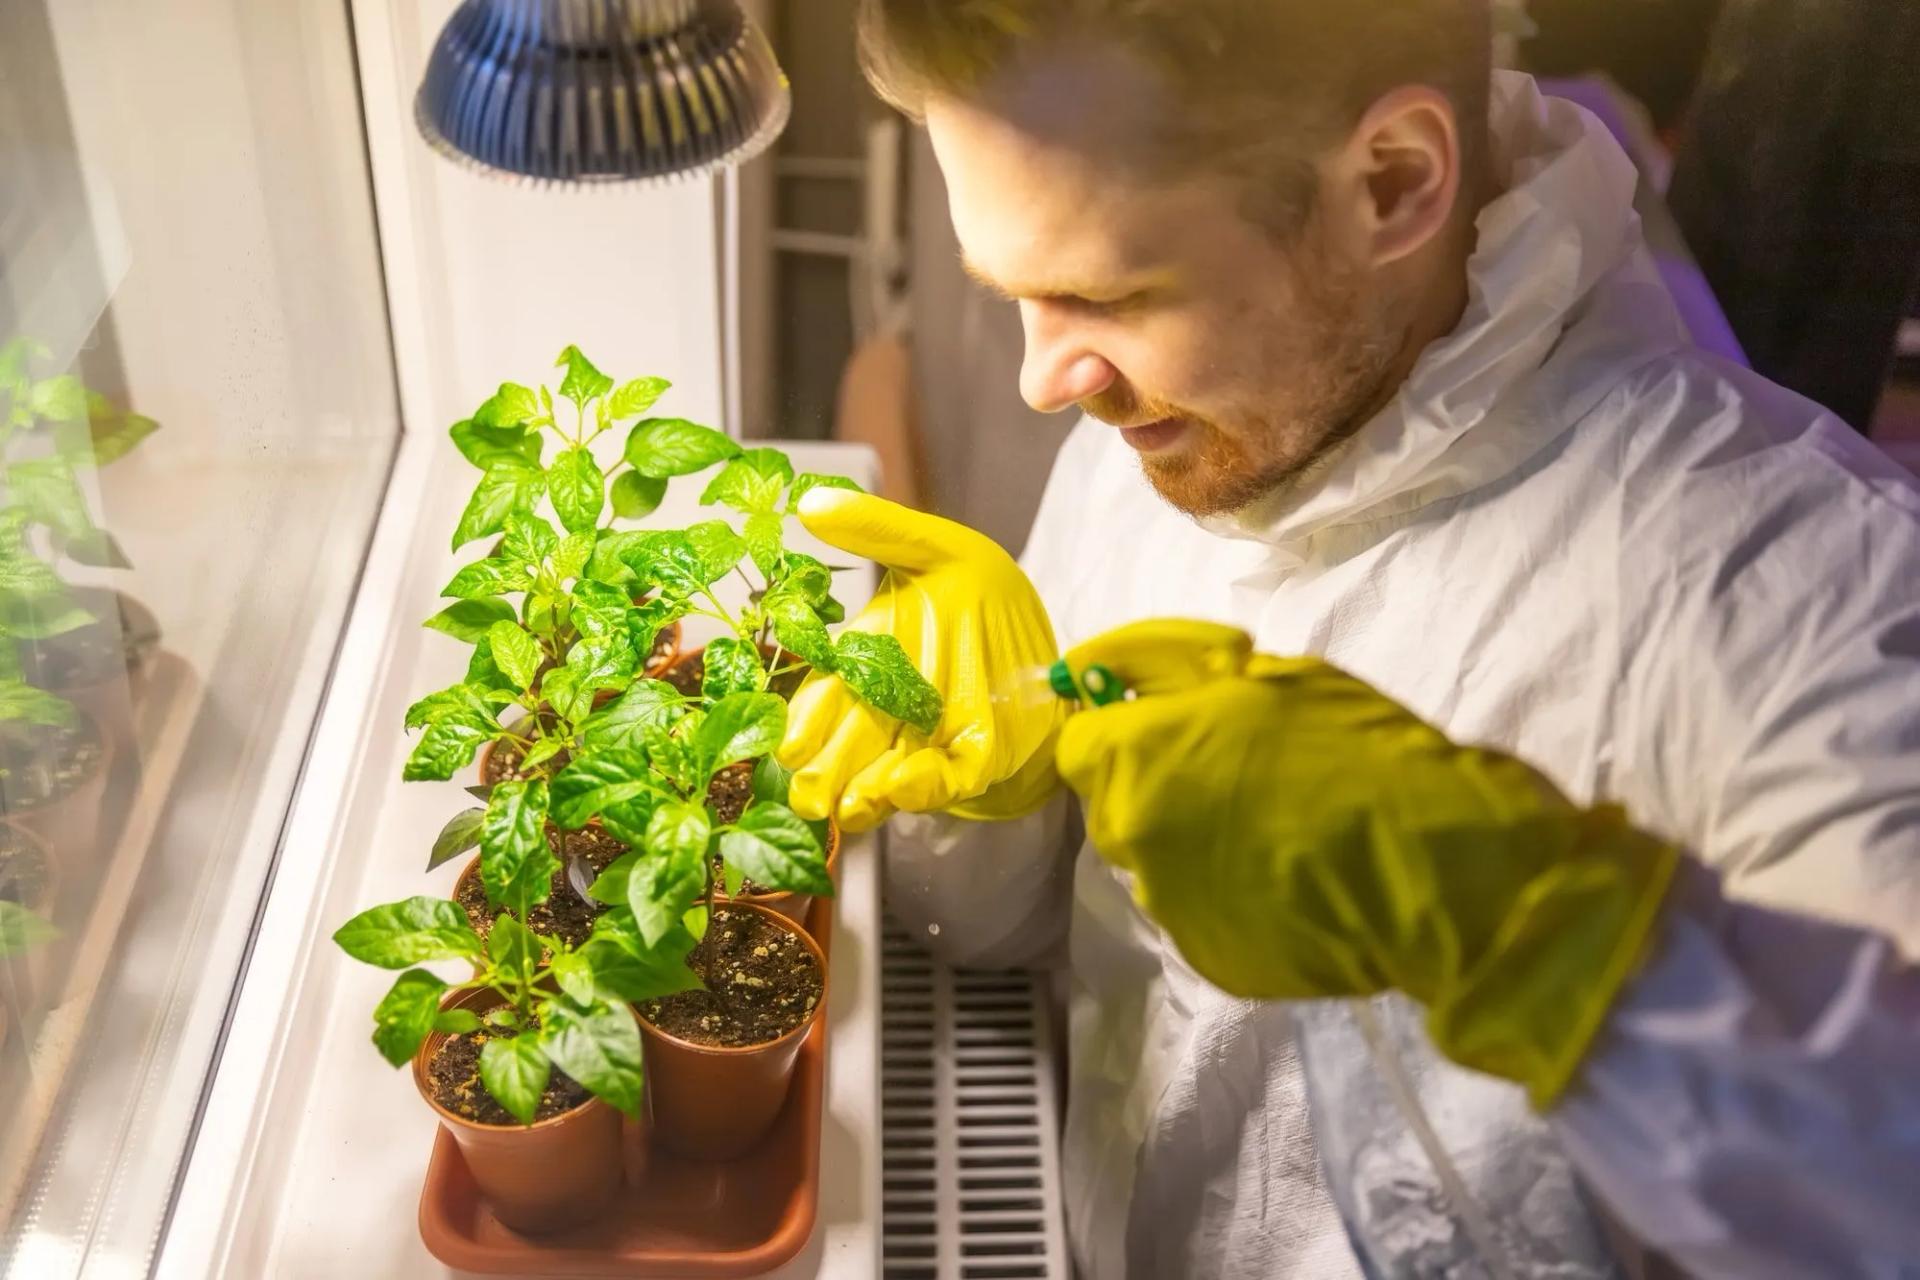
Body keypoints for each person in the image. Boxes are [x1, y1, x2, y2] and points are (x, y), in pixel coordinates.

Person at [775, 2, 1920, 1276]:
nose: (1047, 379)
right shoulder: (1185, 425)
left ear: (1393, 182)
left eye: (1100, 290)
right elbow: (1041, 949)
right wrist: (987, 779)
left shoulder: (1815, 600)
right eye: (1019, 293)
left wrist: (1547, 935)